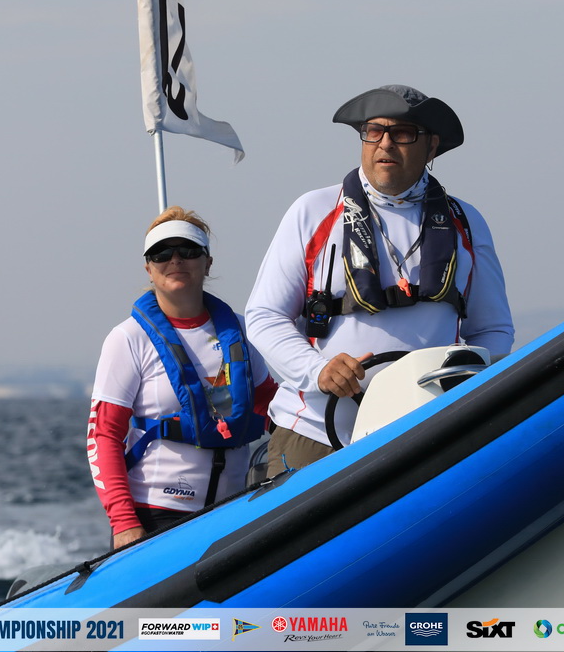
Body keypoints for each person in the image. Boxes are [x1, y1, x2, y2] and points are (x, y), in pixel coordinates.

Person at [245, 84, 514, 476]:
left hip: (426, 433)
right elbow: (264, 316)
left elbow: (493, 330)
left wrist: (464, 391)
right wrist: (316, 369)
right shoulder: (313, 211)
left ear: (432, 146)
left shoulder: (466, 222)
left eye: (402, 133)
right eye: (374, 131)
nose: (385, 143)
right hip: (317, 433)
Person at [87, 207, 277, 548]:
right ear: (148, 268)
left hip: (233, 510)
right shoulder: (128, 339)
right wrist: (124, 522)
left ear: (208, 262)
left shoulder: (240, 331)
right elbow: (104, 435)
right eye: (161, 253)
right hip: (156, 514)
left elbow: (269, 405)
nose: (175, 260)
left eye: (188, 250)